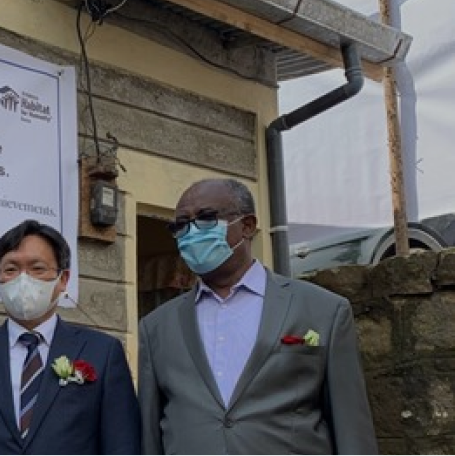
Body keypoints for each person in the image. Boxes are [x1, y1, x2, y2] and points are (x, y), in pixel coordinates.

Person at [139, 178, 378, 456]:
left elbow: (352, 429)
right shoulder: (156, 327)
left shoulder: (323, 311)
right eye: (181, 225)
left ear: (247, 226)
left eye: (205, 218)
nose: (192, 232)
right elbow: (149, 437)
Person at [0, 219, 141, 456]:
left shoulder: (102, 352)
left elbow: (122, 444)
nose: (23, 279)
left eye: (37, 268)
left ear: (63, 279)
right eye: (11, 269)